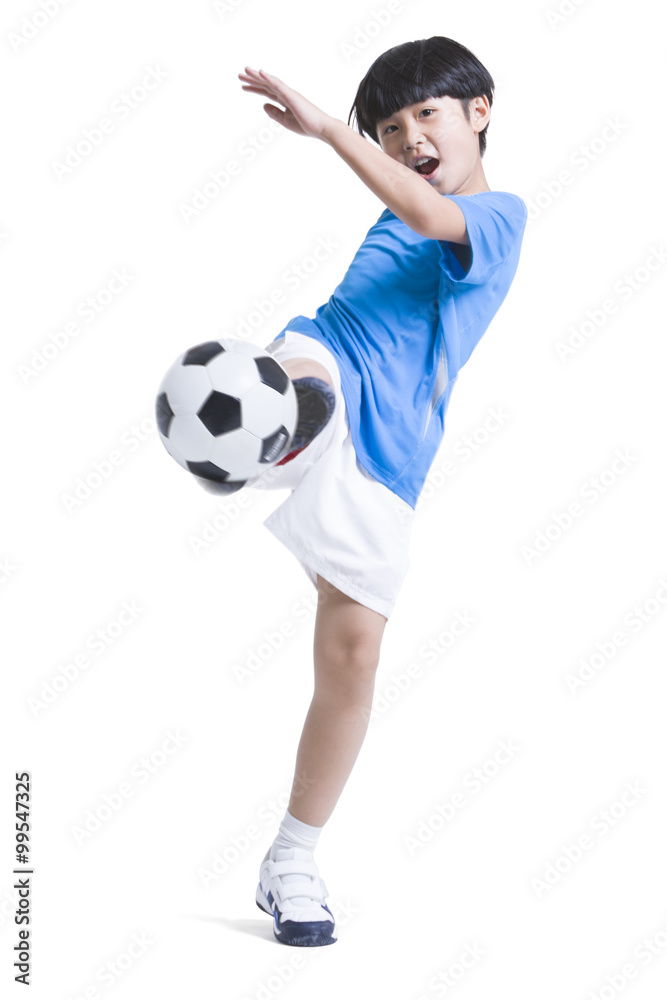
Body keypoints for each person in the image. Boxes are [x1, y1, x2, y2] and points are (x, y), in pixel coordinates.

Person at [224, 36, 528, 946]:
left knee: (351, 656)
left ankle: (289, 861)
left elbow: (429, 214)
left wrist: (329, 131)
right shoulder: (397, 205)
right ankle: (259, 432)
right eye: (389, 129)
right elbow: (403, 207)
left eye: (424, 116)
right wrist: (339, 138)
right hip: (322, 359)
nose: (408, 139)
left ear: (479, 111)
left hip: (389, 454)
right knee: (299, 385)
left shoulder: (497, 217)